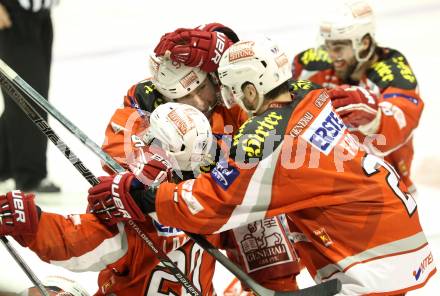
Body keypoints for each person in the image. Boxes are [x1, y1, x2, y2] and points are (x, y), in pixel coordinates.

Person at [87, 38, 436, 295]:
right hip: (398, 241)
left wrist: (143, 196)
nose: (228, 99)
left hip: (372, 268)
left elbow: (213, 204)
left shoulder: (268, 143)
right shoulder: (308, 94)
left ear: (251, 90)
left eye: (232, 89)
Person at [99, 22, 302, 292]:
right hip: (188, 207)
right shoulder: (146, 104)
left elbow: (274, 92)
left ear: (212, 75)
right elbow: (117, 150)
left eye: (200, 89)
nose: (197, 102)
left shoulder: (229, 93)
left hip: (230, 195)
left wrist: (221, 45)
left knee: (263, 224)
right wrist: (150, 155)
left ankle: (278, 289)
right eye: (184, 97)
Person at [0, 103, 221, 295]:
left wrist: (31, 222)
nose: (141, 140)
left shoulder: (139, 216)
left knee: (52, 290)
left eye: (149, 137)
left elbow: (76, 244)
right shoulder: (213, 201)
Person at [292, 0, 423, 192]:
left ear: (364, 43)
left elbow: (402, 118)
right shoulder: (310, 64)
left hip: (386, 185)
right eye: (327, 46)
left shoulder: (393, 72)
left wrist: (374, 119)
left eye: (337, 48)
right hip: (328, 179)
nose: (330, 55)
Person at [0, 0, 60, 193]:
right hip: (12, 17)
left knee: (30, 95)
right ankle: (30, 176)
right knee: (26, 98)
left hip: (41, 15)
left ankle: (4, 166)